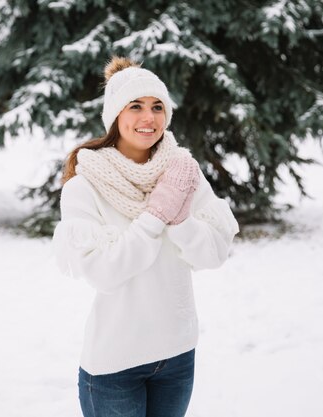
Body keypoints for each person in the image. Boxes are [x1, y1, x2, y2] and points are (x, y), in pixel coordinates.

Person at [52, 56, 240, 417]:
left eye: (157, 106)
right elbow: (102, 271)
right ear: (115, 116)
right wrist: (155, 217)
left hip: (178, 354)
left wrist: (181, 220)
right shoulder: (85, 186)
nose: (148, 117)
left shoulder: (182, 172)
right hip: (115, 363)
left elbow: (214, 253)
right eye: (135, 106)